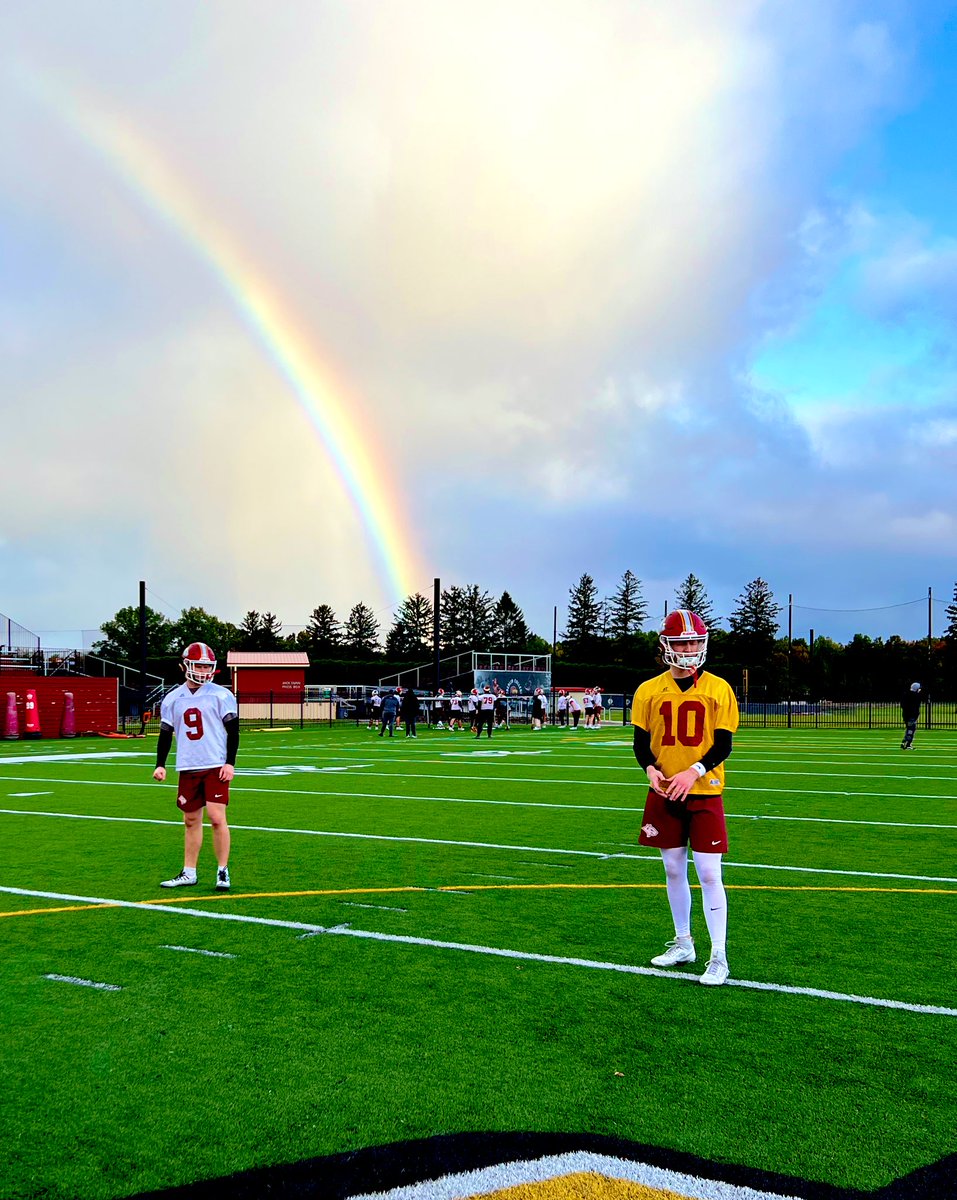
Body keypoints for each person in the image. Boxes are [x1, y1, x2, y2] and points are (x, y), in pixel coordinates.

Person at [631, 609, 739, 987]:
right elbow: (640, 744)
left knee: (709, 873)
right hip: (664, 791)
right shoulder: (648, 689)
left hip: (704, 790)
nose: (690, 647)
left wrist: (693, 771)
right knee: (673, 869)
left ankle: (718, 955)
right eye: (682, 642)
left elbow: (723, 744)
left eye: (694, 641)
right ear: (667, 646)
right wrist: (651, 770)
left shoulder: (719, 687)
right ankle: (683, 943)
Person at [153, 642, 239, 891]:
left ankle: (222, 871)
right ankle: (189, 872)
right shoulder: (172, 698)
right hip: (188, 766)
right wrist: (161, 764)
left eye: (206, 665)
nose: (202, 670)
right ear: (184, 666)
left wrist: (230, 763)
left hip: (214, 764)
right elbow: (165, 734)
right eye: (198, 665)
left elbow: (233, 731)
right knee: (190, 820)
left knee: (216, 817)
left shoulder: (221, 694)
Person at [901, 682, 922, 750]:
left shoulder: (906, 694)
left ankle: (904, 741)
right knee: (911, 729)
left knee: (909, 729)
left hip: (906, 715)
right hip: (911, 716)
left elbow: (903, 705)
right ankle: (908, 744)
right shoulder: (915, 696)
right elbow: (915, 706)